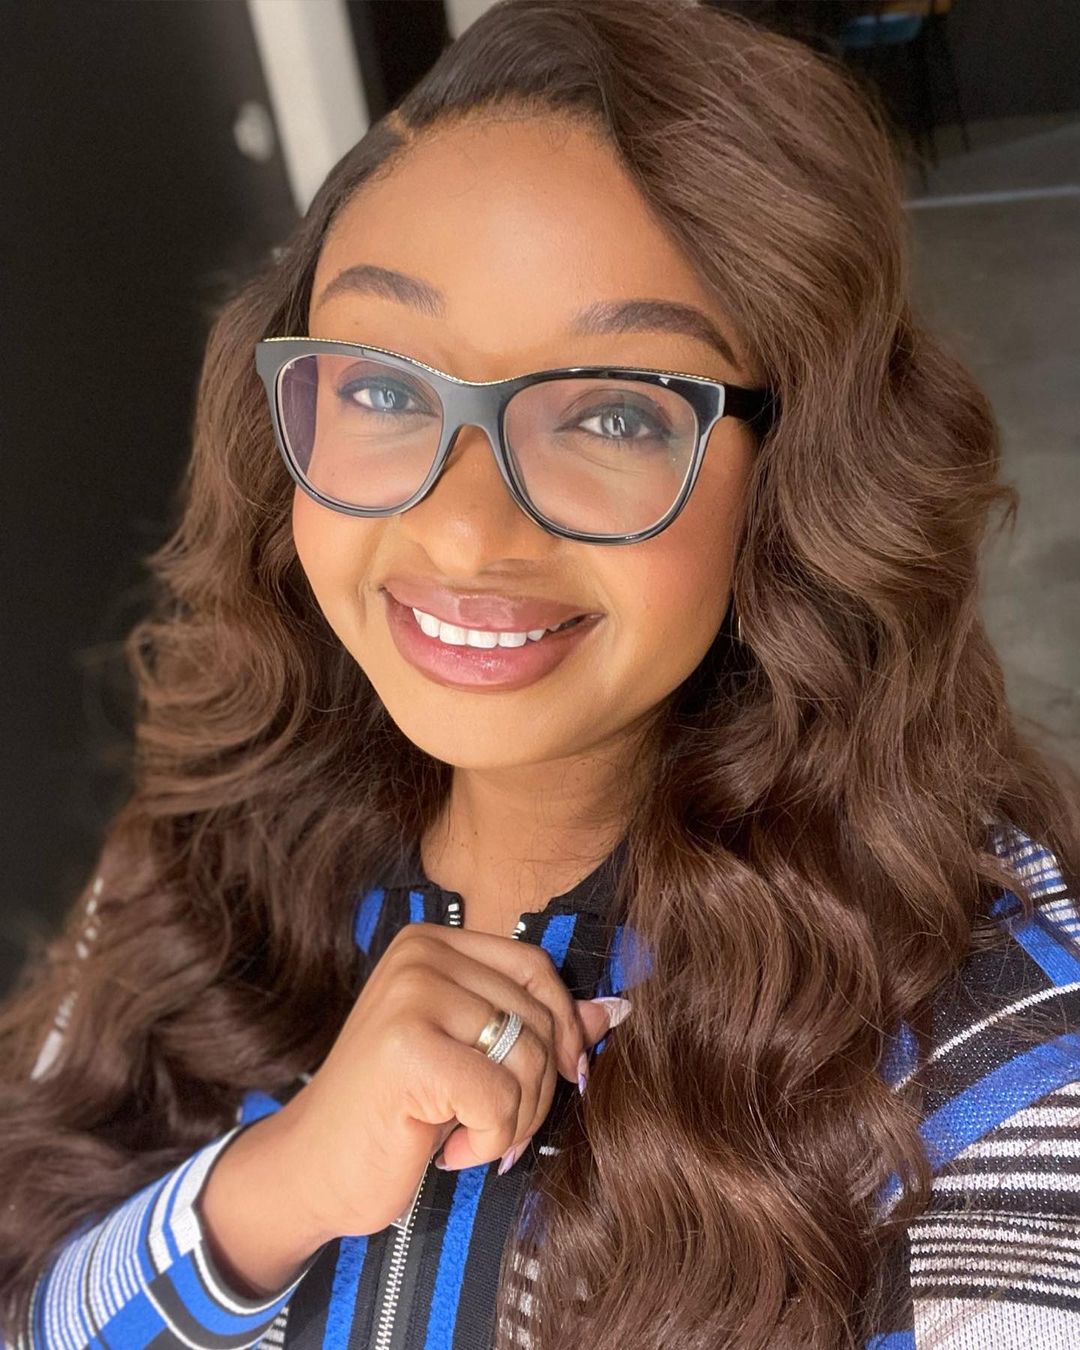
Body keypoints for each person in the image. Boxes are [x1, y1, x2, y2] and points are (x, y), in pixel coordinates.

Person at [2, 1, 1080, 1347]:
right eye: (384, 387)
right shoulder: (211, 843)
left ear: (800, 473)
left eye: (616, 413)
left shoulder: (995, 1040)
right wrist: (264, 1195)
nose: (463, 531)